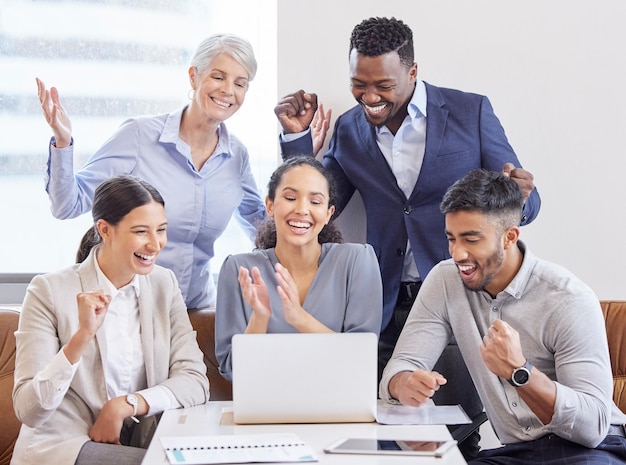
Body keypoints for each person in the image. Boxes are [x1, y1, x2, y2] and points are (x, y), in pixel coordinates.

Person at [274, 16, 541, 458]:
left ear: (412, 72)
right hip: (381, 303)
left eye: (383, 85)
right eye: (359, 84)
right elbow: (322, 203)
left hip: (459, 296)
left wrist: (520, 198)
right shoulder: (348, 127)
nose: (370, 97)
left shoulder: (470, 112)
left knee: (458, 432)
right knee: (385, 430)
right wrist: (297, 139)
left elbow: (519, 203)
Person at [380, 169, 626, 464]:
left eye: (471, 239)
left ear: (509, 236)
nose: (457, 254)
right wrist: (403, 383)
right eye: (451, 239)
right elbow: (401, 366)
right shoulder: (445, 281)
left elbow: (592, 428)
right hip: (514, 453)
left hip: (591, 451)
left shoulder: (568, 299)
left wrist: (518, 371)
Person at [36, 32, 266, 311]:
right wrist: (63, 141)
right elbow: (67, 205)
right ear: (193, 77)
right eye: (218, 77)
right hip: (128, 308)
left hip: (193, 310)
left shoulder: (236, 156)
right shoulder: (139, 136)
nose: (228, 90)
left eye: (240, 83)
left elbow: (262, 227)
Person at [11, 175, 209, 465]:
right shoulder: (49, 290)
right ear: (105, 229)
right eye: (141, 231)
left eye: (161, 230)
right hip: (63, 447)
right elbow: (29, 410)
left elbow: (194, 380)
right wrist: (81, 337)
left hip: (137, 444)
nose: (155, 244)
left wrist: (126, 406)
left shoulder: (163, 283)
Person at [215, 156, 383, 381]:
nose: (302, 209)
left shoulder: (357, 261)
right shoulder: (239, 269)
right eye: (291, 197)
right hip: (265, 408)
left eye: (315, 202)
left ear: (328, 214)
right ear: (270, 205)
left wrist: (299, 318)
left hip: (339, 407)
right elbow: (233, 370)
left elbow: (361, 357)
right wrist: (260, 318)